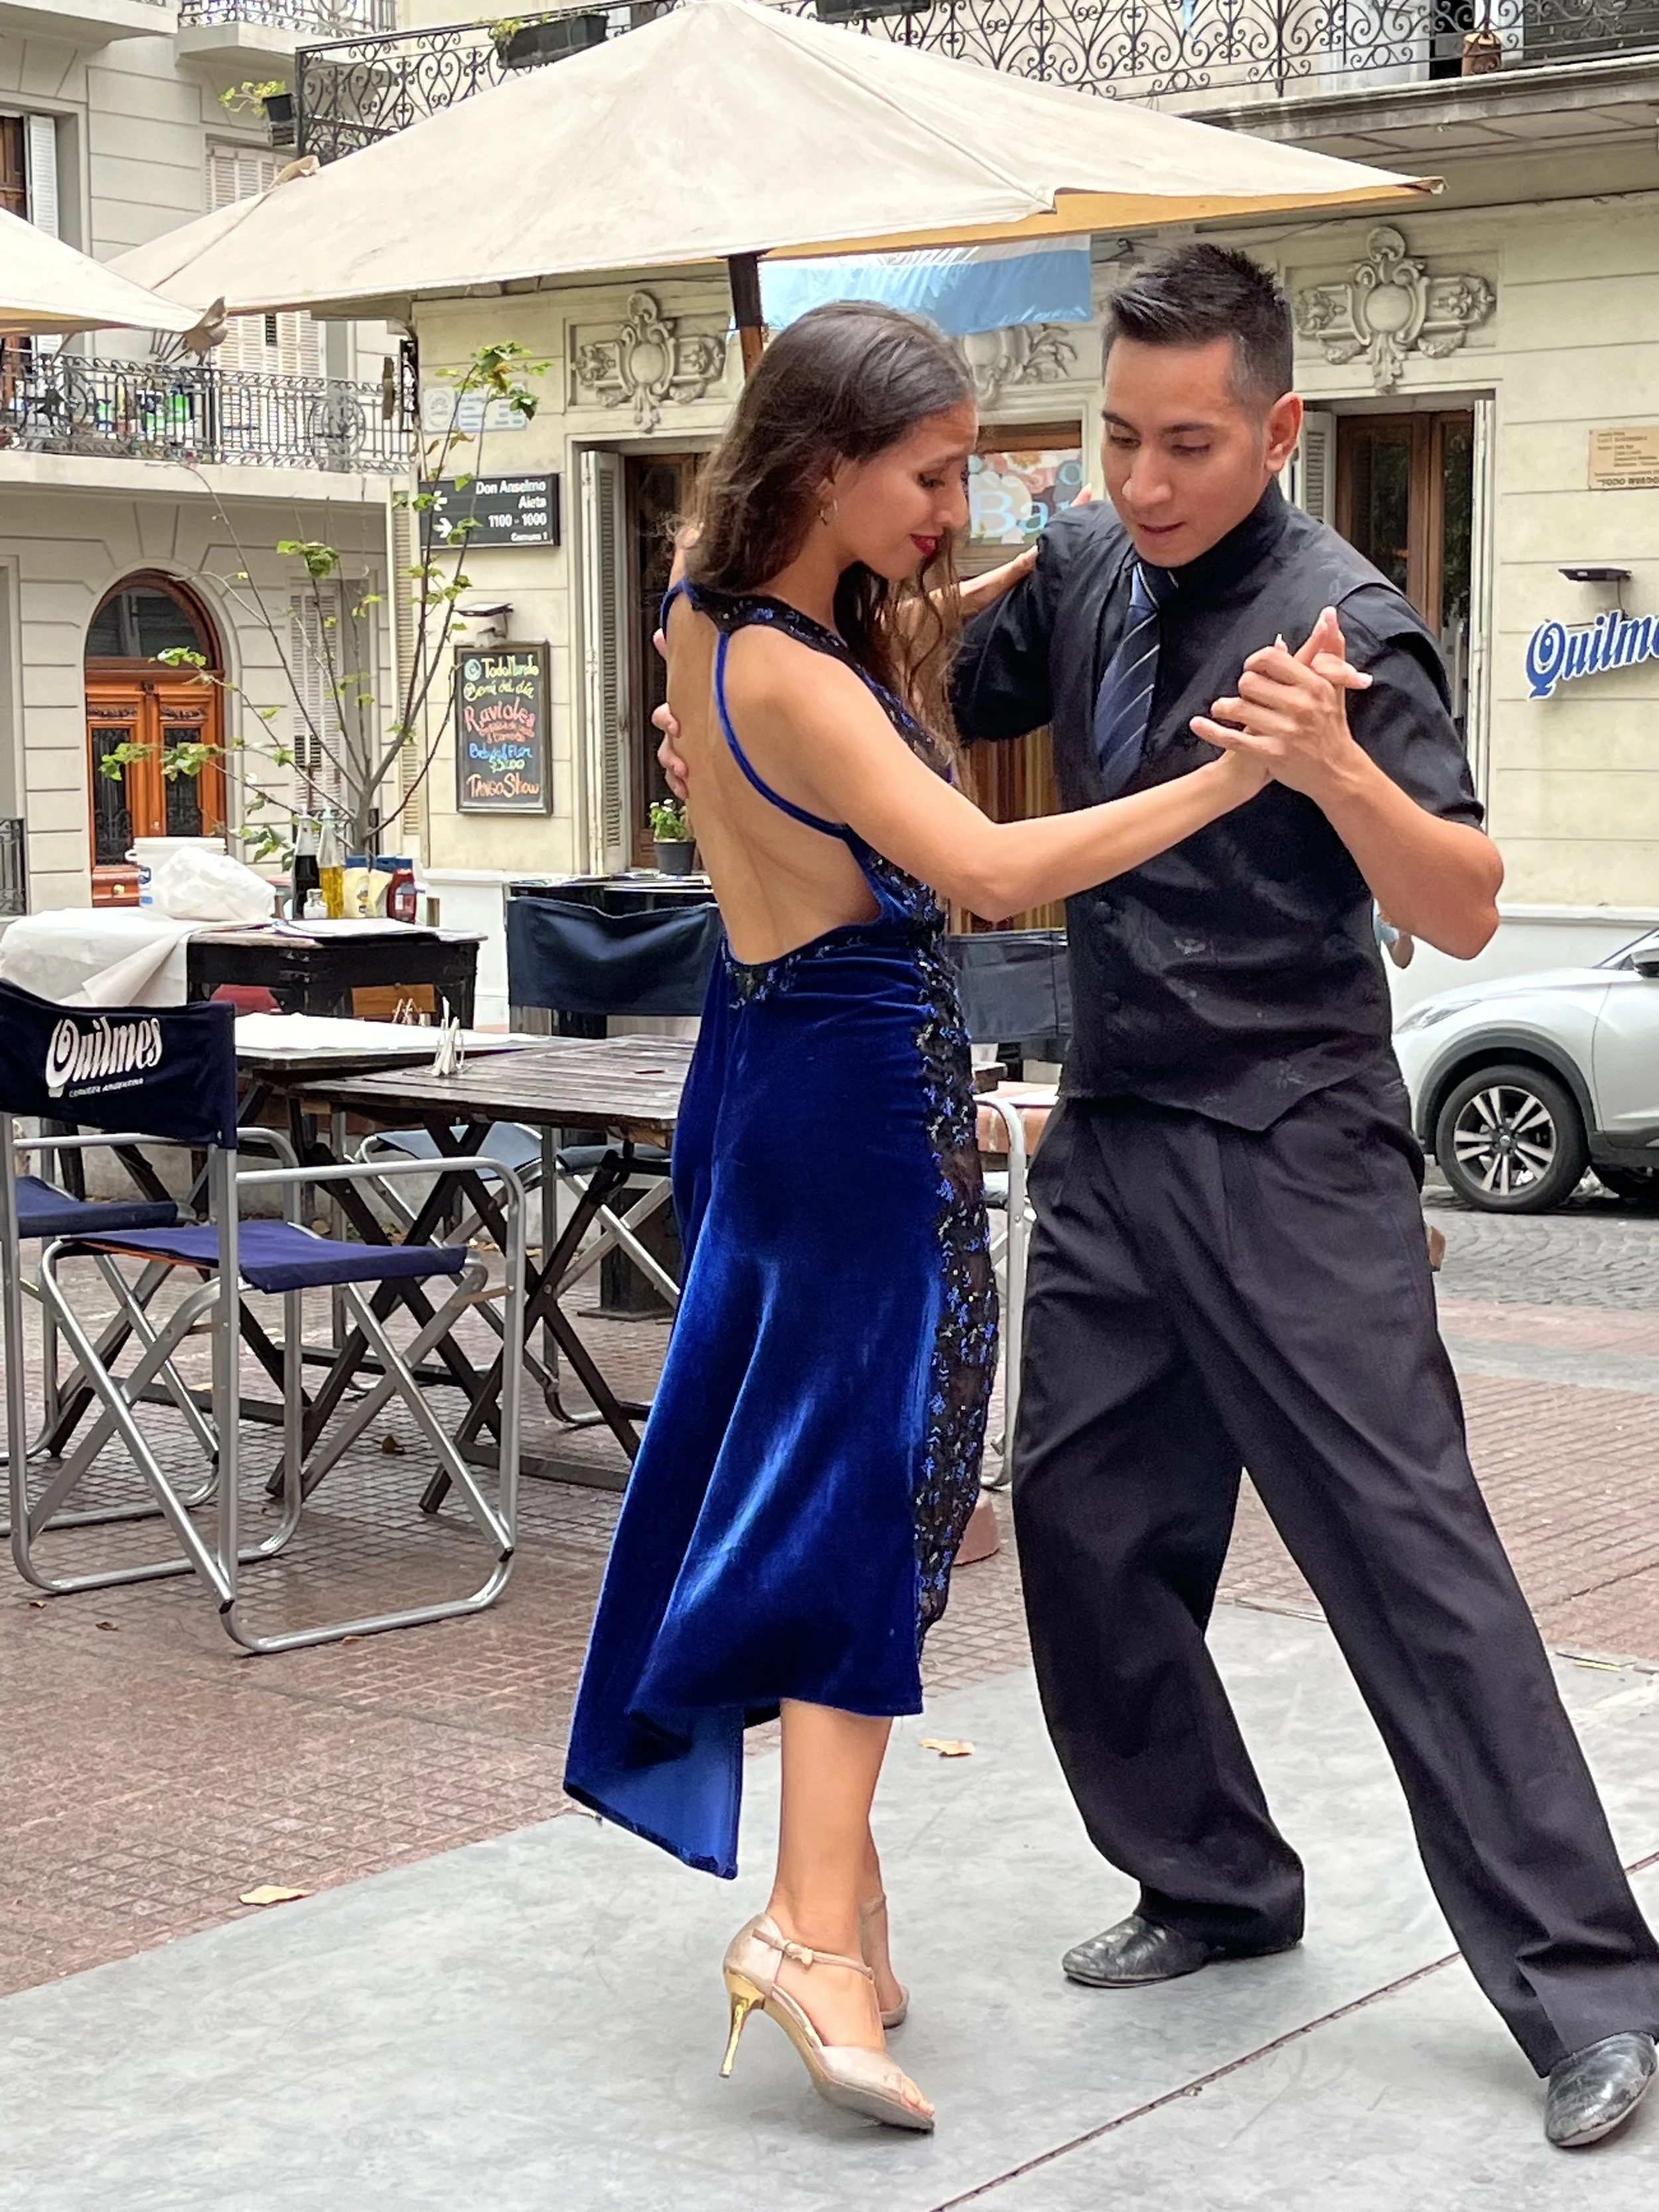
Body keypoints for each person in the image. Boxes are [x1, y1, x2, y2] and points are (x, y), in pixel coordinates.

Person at [950, 241, 1659, 2150]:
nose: (1147, 479)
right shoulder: (1088, 559)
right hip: (1110, 1130)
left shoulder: (1344, 617)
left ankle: (1594, 1992)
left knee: (1406, 1559)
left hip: (1295, 1145)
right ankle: (1208, 1877)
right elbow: (945, 657)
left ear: (1275, 427)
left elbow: (1459, 904)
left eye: (1188, 442)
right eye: (1115, 437)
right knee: (1086, 1528)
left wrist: (1339, 766)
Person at [564, 299, 1279, 2137]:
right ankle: (804, 1929)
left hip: (772, 1078)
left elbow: (844, 669)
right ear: (822, 463)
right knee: (861, 1506)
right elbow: (973, 867)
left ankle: (839, 1900)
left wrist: (986, 586)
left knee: (839, 1493)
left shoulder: (708, 627)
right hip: (858, 1110)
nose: (952, 512)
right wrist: (1223, 775)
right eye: (932, 476)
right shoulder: (796, 677)